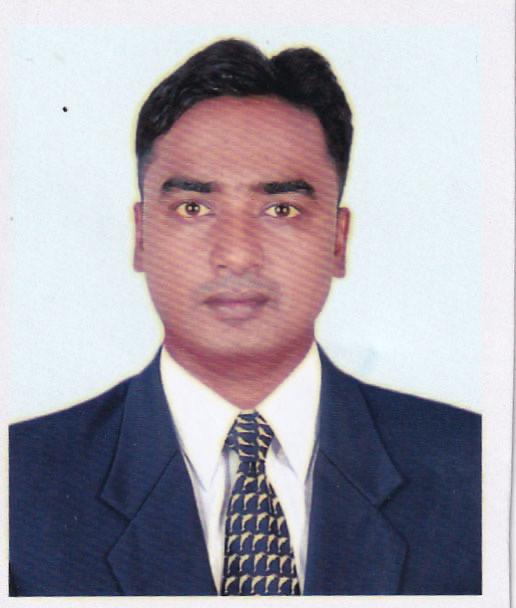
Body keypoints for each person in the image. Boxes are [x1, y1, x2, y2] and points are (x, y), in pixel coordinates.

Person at [9, 38, 481, 596]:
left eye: (281, 209)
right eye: (193, 208)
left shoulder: (475, 466)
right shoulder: (19, 483)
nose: (236, 255)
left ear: (338, 241)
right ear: (141, 237)